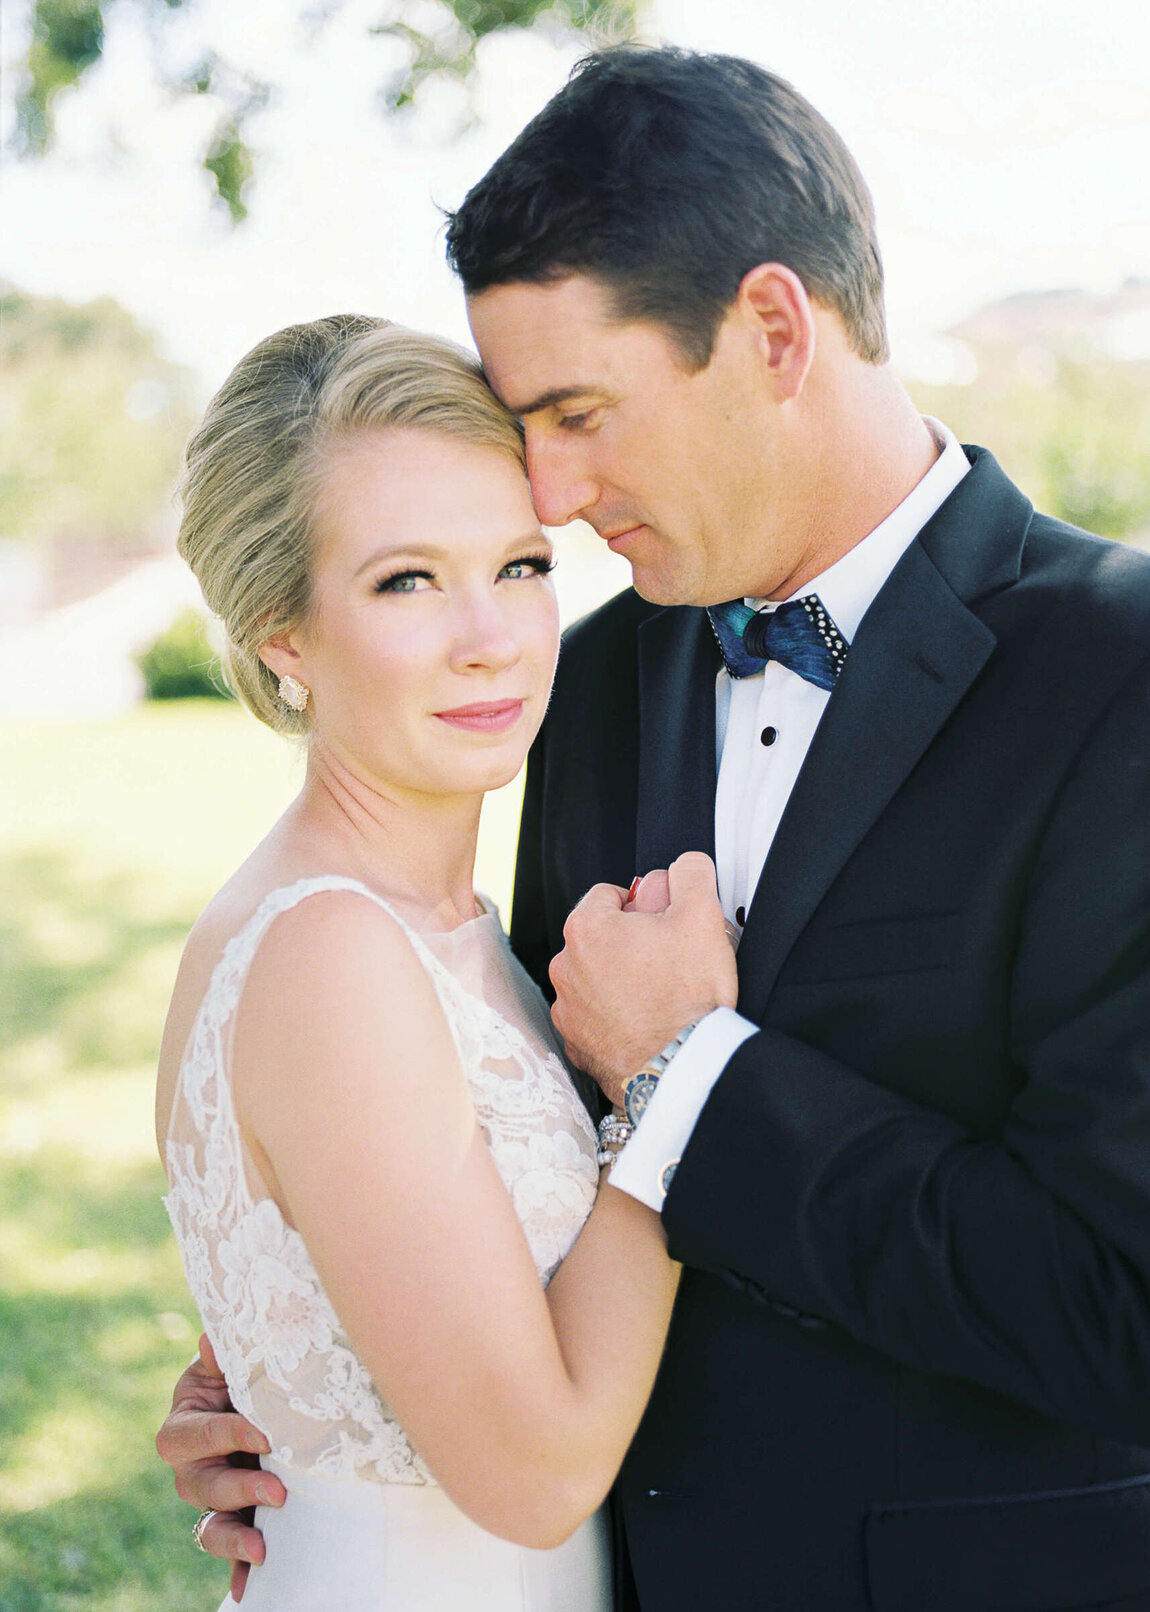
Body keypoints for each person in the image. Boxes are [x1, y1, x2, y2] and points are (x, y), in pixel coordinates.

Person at [160, 47, 1150, 1612]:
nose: (555, 498)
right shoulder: (582, 686)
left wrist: (694, 1080)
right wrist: (309, 1359)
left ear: (775, 330)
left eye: (579, 413)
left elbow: (1141, 1321)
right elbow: (490, 1135)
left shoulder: (1144, 678)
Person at [154, 312, 736, 1610]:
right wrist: (679, 1072)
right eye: (406, 580)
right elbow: (532, 1475)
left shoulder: (446, 921)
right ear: (282, 631)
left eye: (520, 564)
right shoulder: (330, 953)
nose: (493, 636)